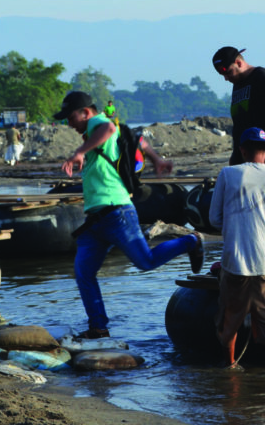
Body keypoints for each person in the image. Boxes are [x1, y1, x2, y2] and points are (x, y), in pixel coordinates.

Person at [58, 90, 203, 338]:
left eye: (70, 117)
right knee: (83, 273)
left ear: (86, 112)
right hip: (95, 220)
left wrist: (80, 152)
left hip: (117, 212)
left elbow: (109, 131)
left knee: (144, 261)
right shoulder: (96, 132)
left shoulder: (99, 124)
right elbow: (137, 138)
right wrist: (156, 159)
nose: (68, 123)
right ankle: (98, 327)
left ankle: (191, 241)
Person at [209, 127, 265, 373]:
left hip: (234, 266)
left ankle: (231, 370)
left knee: (229, 322)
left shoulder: (227, 174)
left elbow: (215, 219)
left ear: (242, 150)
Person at [212, 46, 265, 168]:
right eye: (222, 75)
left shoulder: (263, 76)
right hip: (243, 158)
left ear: (238, 63)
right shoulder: (237, 84)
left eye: (228, 72)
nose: (226, 78)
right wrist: (235, 155)